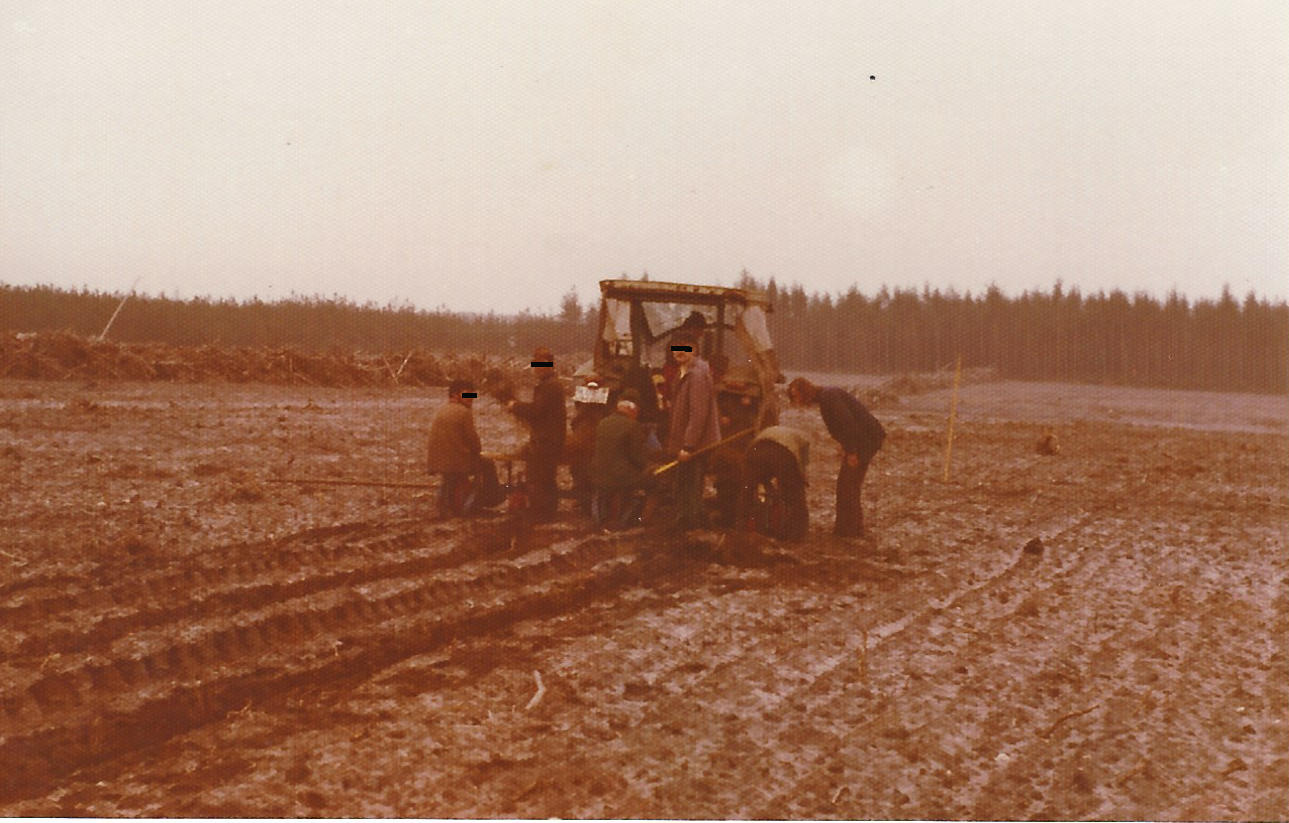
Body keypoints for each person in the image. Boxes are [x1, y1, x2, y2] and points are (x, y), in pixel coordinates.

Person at [787, 376, 885, 537]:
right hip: (864, 439)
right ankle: (851, 529)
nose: (797, 402)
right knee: (849, 485)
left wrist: (852, 451)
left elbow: (847, 423)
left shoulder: (829, 397)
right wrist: (846, 447)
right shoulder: (827, 397)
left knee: (847, 486)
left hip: (865, 440)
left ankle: (848, 531)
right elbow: (843, 426)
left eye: (797, 396)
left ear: (805, 392)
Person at [666, 331, 721, 530]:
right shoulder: (684, 372)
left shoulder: (696, 375)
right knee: (687, 482)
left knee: (689, 482)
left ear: (694, 349)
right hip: (686, 441)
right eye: (676, 348)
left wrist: (688, 446)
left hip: (694, 444)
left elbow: (698, 414)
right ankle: (690, 520)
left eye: (684, 347)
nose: (679, 351)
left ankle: (689, 524)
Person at [507, 346, 566, 522]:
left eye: (541, 364)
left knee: (538, 478)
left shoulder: (549, 386)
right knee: (546, 478)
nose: (538, 368)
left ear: (550, 365)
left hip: (545, 441)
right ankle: (548, 513)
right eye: (536, 364)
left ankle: (540, 514)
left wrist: (515, 406)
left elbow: (536, 411)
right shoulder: (551, 385)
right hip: (551, 439)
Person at [426, 379, 498, 517]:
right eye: (467, 395)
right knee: (488, 464)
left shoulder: (442, 410)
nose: (471, 398)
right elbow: (474, 442)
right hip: (456, 462)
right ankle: (492, 498)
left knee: (451, 478)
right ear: (455, 395)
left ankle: (449, 504)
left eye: (472, 395)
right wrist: (477, 452)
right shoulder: (464, 412)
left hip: (437, 460)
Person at [590, 392, 660, 528]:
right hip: (620, 477)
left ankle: (603, 517)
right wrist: (651, 467)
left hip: (598, 474)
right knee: (656, 484)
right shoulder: (632, 426)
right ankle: (643, 520)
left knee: (615, 482)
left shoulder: (603, 423)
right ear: (632, 411)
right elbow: (638, 458)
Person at [737, 424, 810, 540]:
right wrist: (800, 479)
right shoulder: (804, 441)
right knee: (795, 495)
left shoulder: (769, 431)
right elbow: (801, 467)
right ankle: (797, 534)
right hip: (782, 452)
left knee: (747, 490)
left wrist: (765, 482)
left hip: (755, 450)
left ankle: (741, 526)